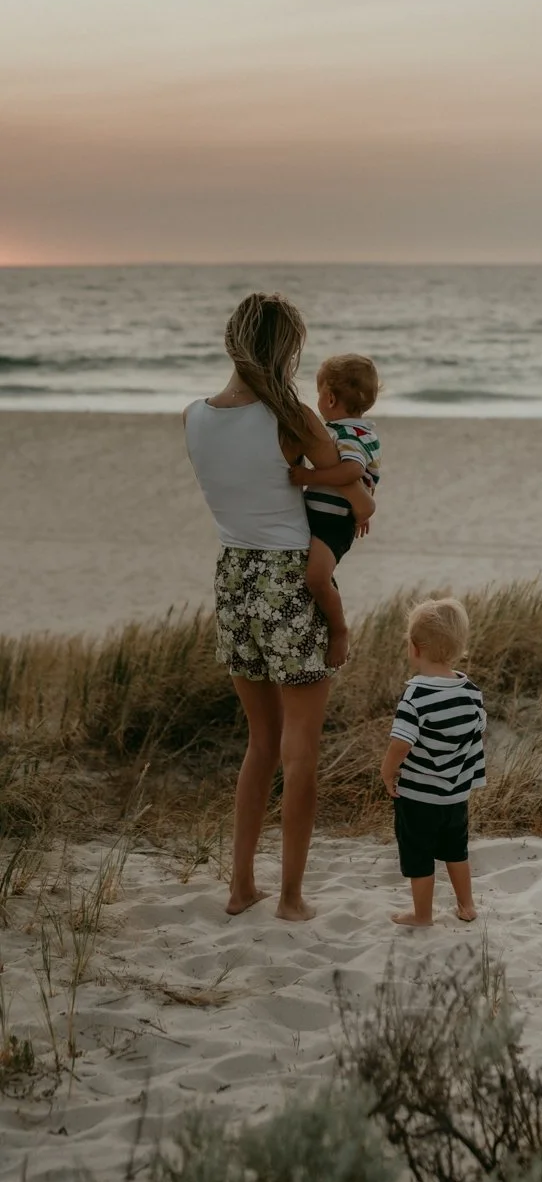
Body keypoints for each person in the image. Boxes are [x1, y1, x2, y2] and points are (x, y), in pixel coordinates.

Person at [184, 292, 376, 922]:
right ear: (286, 349)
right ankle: (291, 897)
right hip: (289, 581)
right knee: (300, 751)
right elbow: (346, 479)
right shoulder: (290, 416)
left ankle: (241, 886)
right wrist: (362, 503)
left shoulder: (194, 417)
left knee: (258, 743)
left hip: (233, 579)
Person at [380, 597, 486, 928]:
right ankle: (466, 906)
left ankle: (422, 915)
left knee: (418, 854)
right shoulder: (471, 691)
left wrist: (388, 770)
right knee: (457, 851)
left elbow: (401, 743)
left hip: (419, 797)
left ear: (414, 648)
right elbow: (476, 732)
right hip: (456, 796)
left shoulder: (416, 696)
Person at [288, 354, 382, 670]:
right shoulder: (345, 430)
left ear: (329, 398)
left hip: (334, 522)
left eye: (318, 393)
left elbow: (351, 473)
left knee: (316, 578)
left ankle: (339, 630)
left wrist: (309, 477)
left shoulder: (350, 434)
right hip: (323, 515)